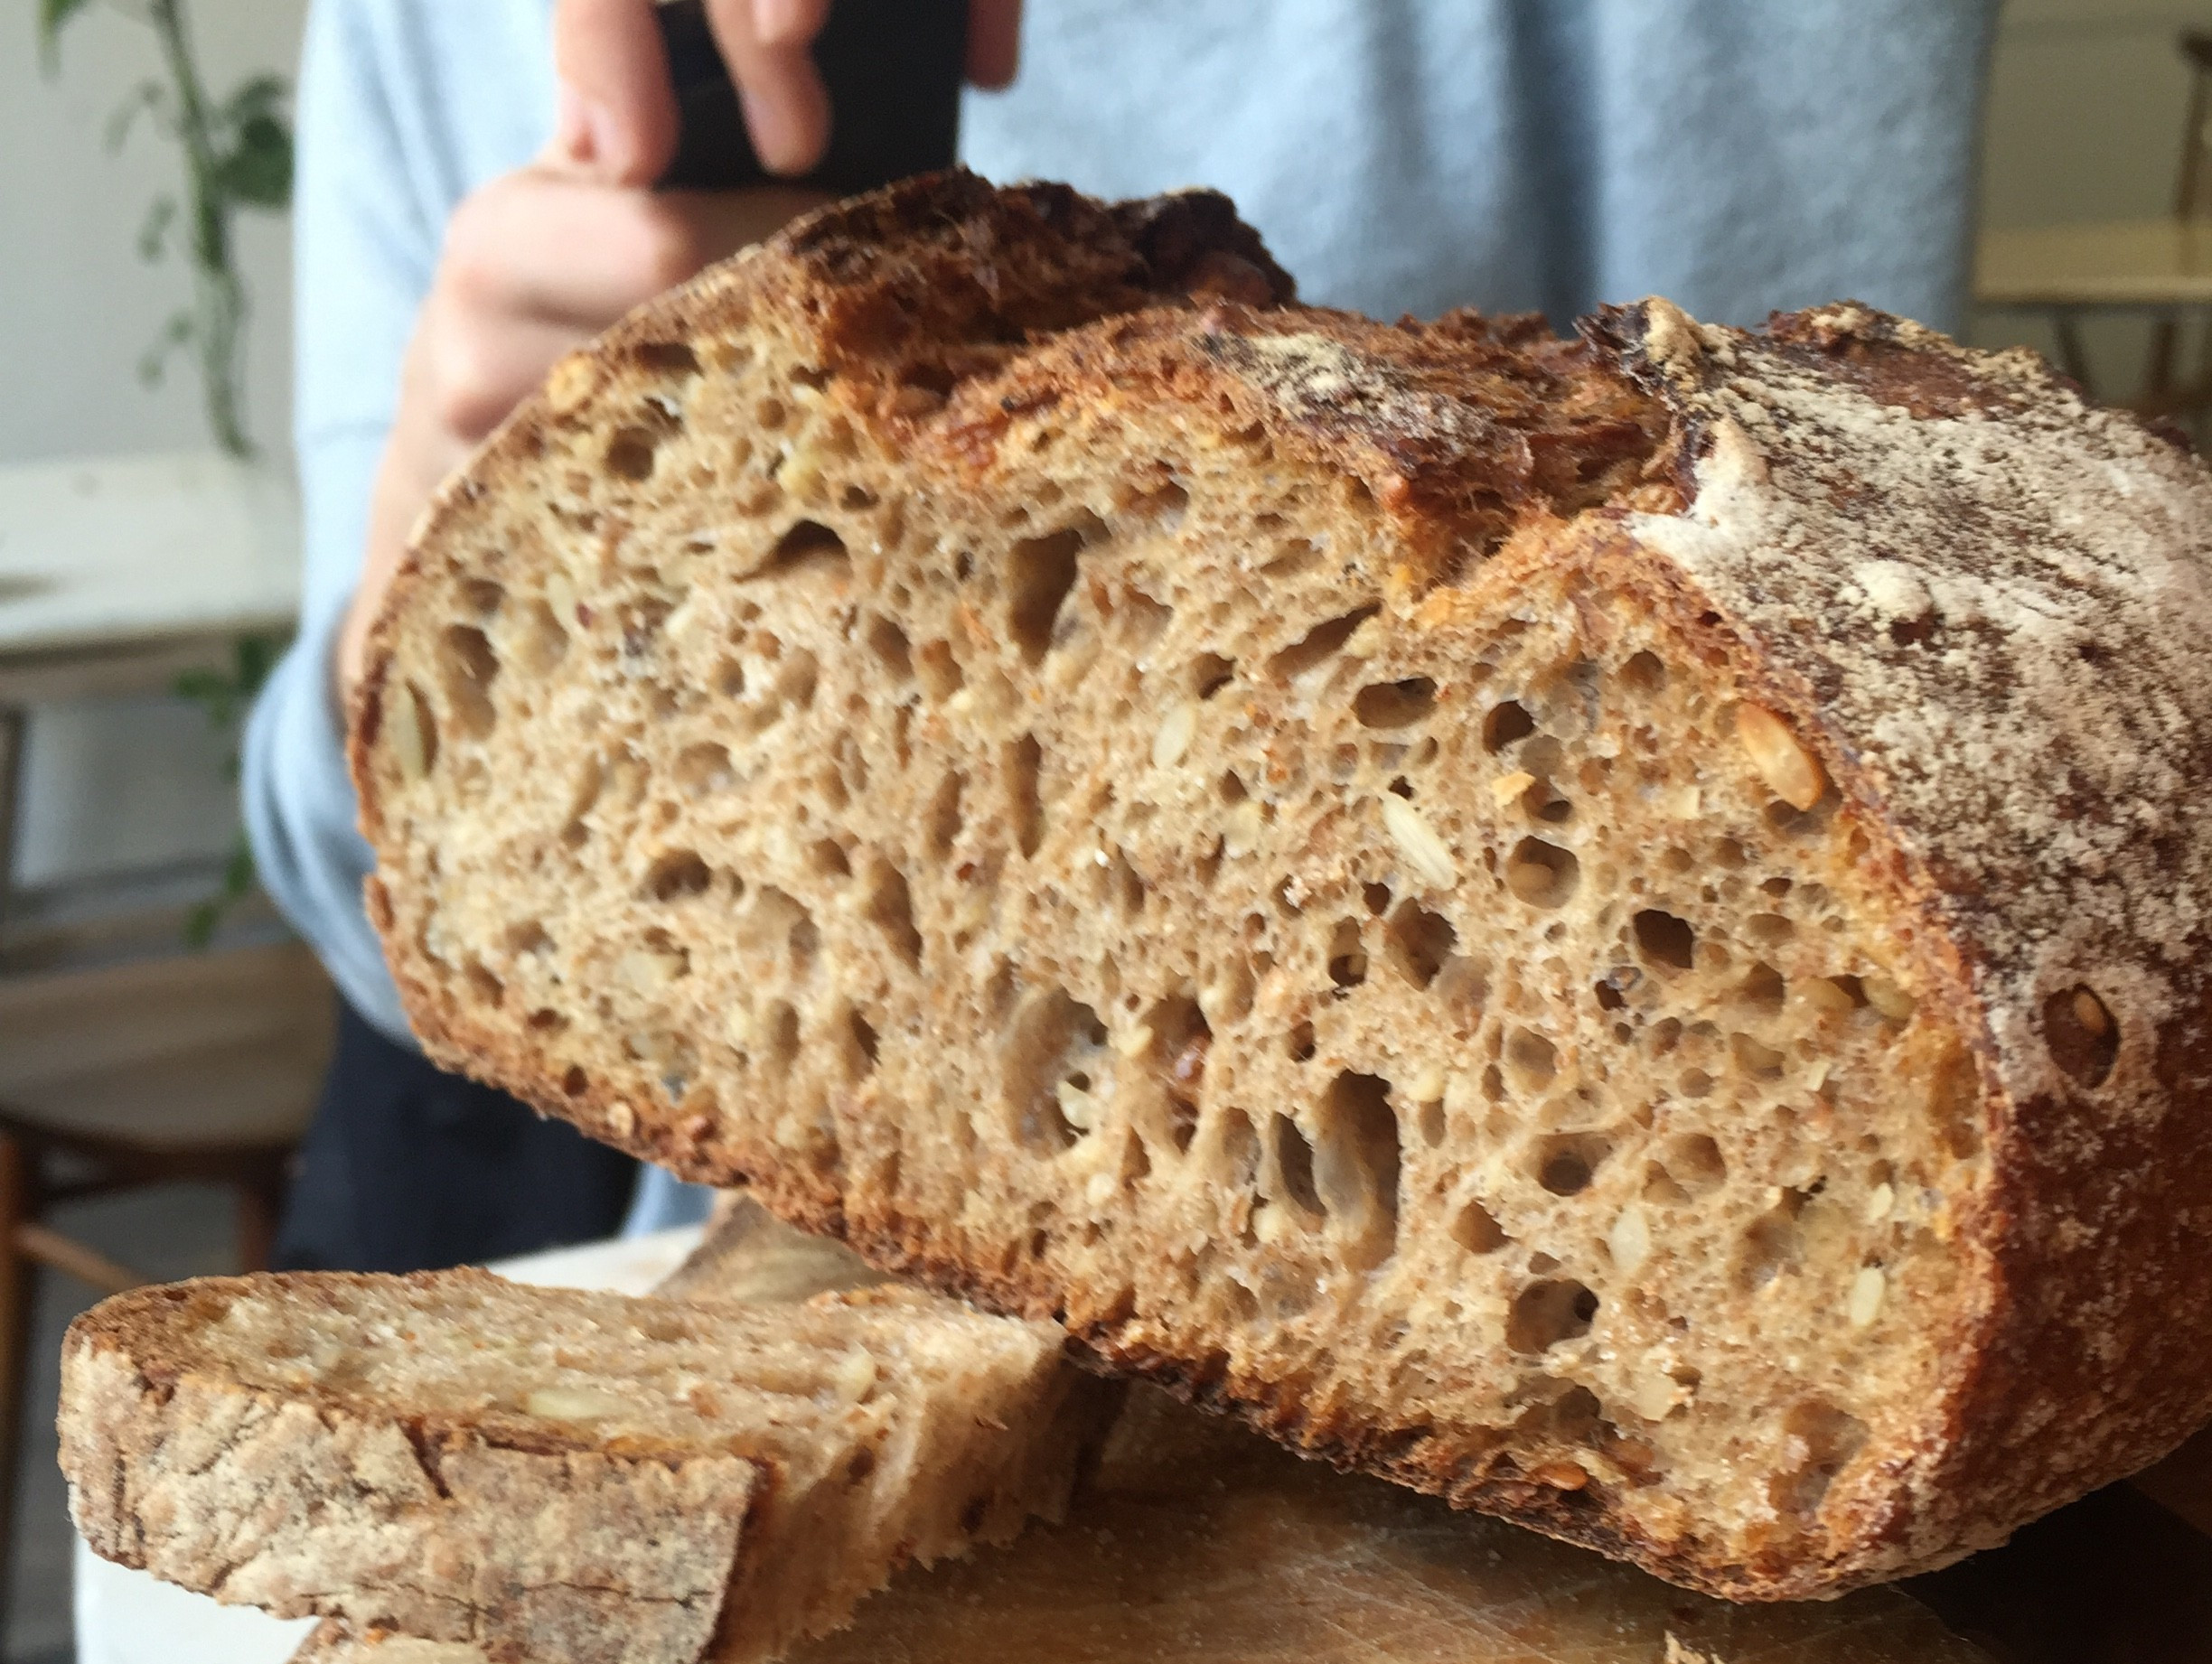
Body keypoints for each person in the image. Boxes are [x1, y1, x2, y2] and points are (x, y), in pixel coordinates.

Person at [245, 0, 1997, 1271]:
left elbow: (1854, 677)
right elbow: (368, 906)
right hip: (715, 1244)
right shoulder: (444, 29)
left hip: (1580, 1199)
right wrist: (460, 565)